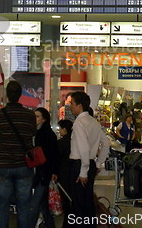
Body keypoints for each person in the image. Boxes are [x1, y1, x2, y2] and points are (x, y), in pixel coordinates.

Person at [0, 80, 36, 228]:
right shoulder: (30, 116)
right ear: (20, 95)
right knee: (24, 206)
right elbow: (32, 134)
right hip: (24, 165)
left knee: (2, 206)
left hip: (2, 165)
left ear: (7, 95)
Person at [68, 91, 110, 227]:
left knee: (79, 204)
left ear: (79, 105)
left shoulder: (79, 123)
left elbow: (84, 149)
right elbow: (106, 143)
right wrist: (98, 163)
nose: (70, 107)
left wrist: (83, 172)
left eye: (72, 104)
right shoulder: (93, 122)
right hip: (90, 164)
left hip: (80, 166)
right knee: (88, 203)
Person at [29, 108, 59, 228]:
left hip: (43, 173)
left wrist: (53, 171)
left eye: (37, 116)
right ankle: (50, 224)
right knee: (42, 204)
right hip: (39, 172)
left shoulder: (46, 135)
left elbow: (53, 155)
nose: (34, 119)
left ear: (44, 119)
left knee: (35, 204)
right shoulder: (36, 133)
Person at [57, 119, 73, 228]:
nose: (59, 131)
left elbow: (57, 158)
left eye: (60, 129)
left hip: (62, 172)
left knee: (65, 199)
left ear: (64, 129)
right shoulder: (74, 141)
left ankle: (67, 222)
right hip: (72, 172)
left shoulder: (61, 143)